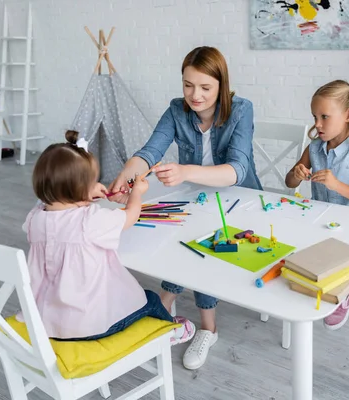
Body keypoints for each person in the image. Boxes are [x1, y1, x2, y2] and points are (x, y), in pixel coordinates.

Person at [107, 46, 262, 370]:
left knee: (199, 246)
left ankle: (205, 326)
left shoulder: (240, 109)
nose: (195, 95)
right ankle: (168, 303)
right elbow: (150, 151)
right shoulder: (177, 110)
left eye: (205, 87)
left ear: (221, 85)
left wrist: (185, 171)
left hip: (240, 201)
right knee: (177, 238)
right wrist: (125, 174)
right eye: (188, 85)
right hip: (196, 197)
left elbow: (238, 170)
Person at [17, 130, 195, 345]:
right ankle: (171, 333)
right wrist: (137, 193)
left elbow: (62, 214)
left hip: (47, 319)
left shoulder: (35, 218)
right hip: (90, 323)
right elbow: (130, 217)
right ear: (77, 188)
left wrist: (83, 194)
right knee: (151, 300)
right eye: (93, 181)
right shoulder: (90, 220)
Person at [285, 80, 349, 331]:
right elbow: (289, 181)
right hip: (317, 223)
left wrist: (337, 185)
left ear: (348, 115)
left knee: (333, 258)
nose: (317, 124)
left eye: (324, 117)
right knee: (288, 246)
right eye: (315, 117)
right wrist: (297, 173)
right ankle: (306, 287)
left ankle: (345, 290)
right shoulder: (315, 148)